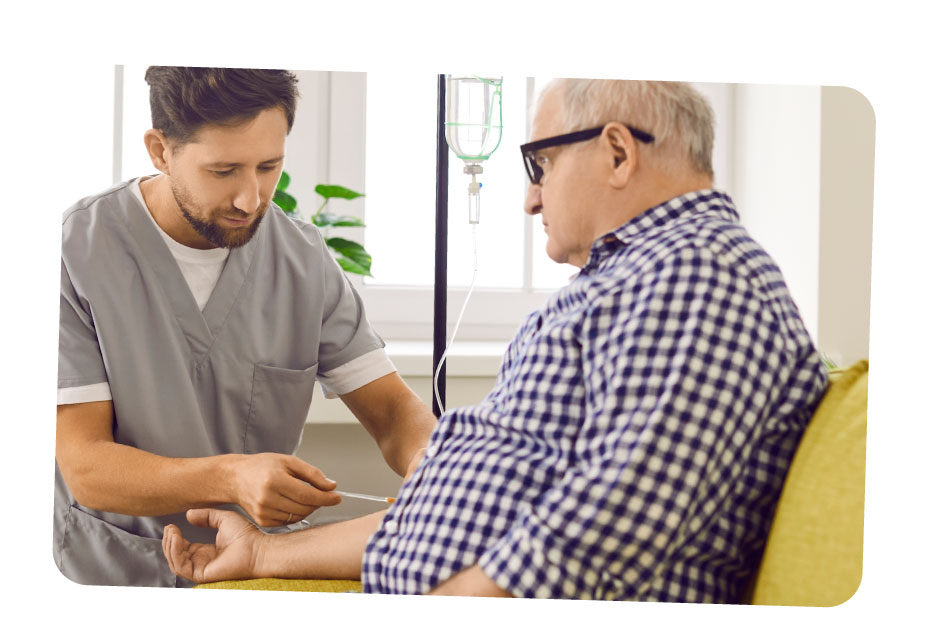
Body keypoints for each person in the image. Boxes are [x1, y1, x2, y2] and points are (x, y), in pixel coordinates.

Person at [162, 78, 829, 602]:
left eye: (539, 163)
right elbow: (489, 506)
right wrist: (264, 554)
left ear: (618, 151)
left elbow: (622, 510)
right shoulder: (637, 280)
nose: (529, 200)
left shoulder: (695, 271)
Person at [55, 67, 436, 587]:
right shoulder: (77, 249)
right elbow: (85, 465)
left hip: (251, 572)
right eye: (224, 170)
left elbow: (392, 413)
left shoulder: (302, 259)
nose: (251, 199)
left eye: (269, 166)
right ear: (160, 151)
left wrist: (434, 465)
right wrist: (231, 476)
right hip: (110, 569)